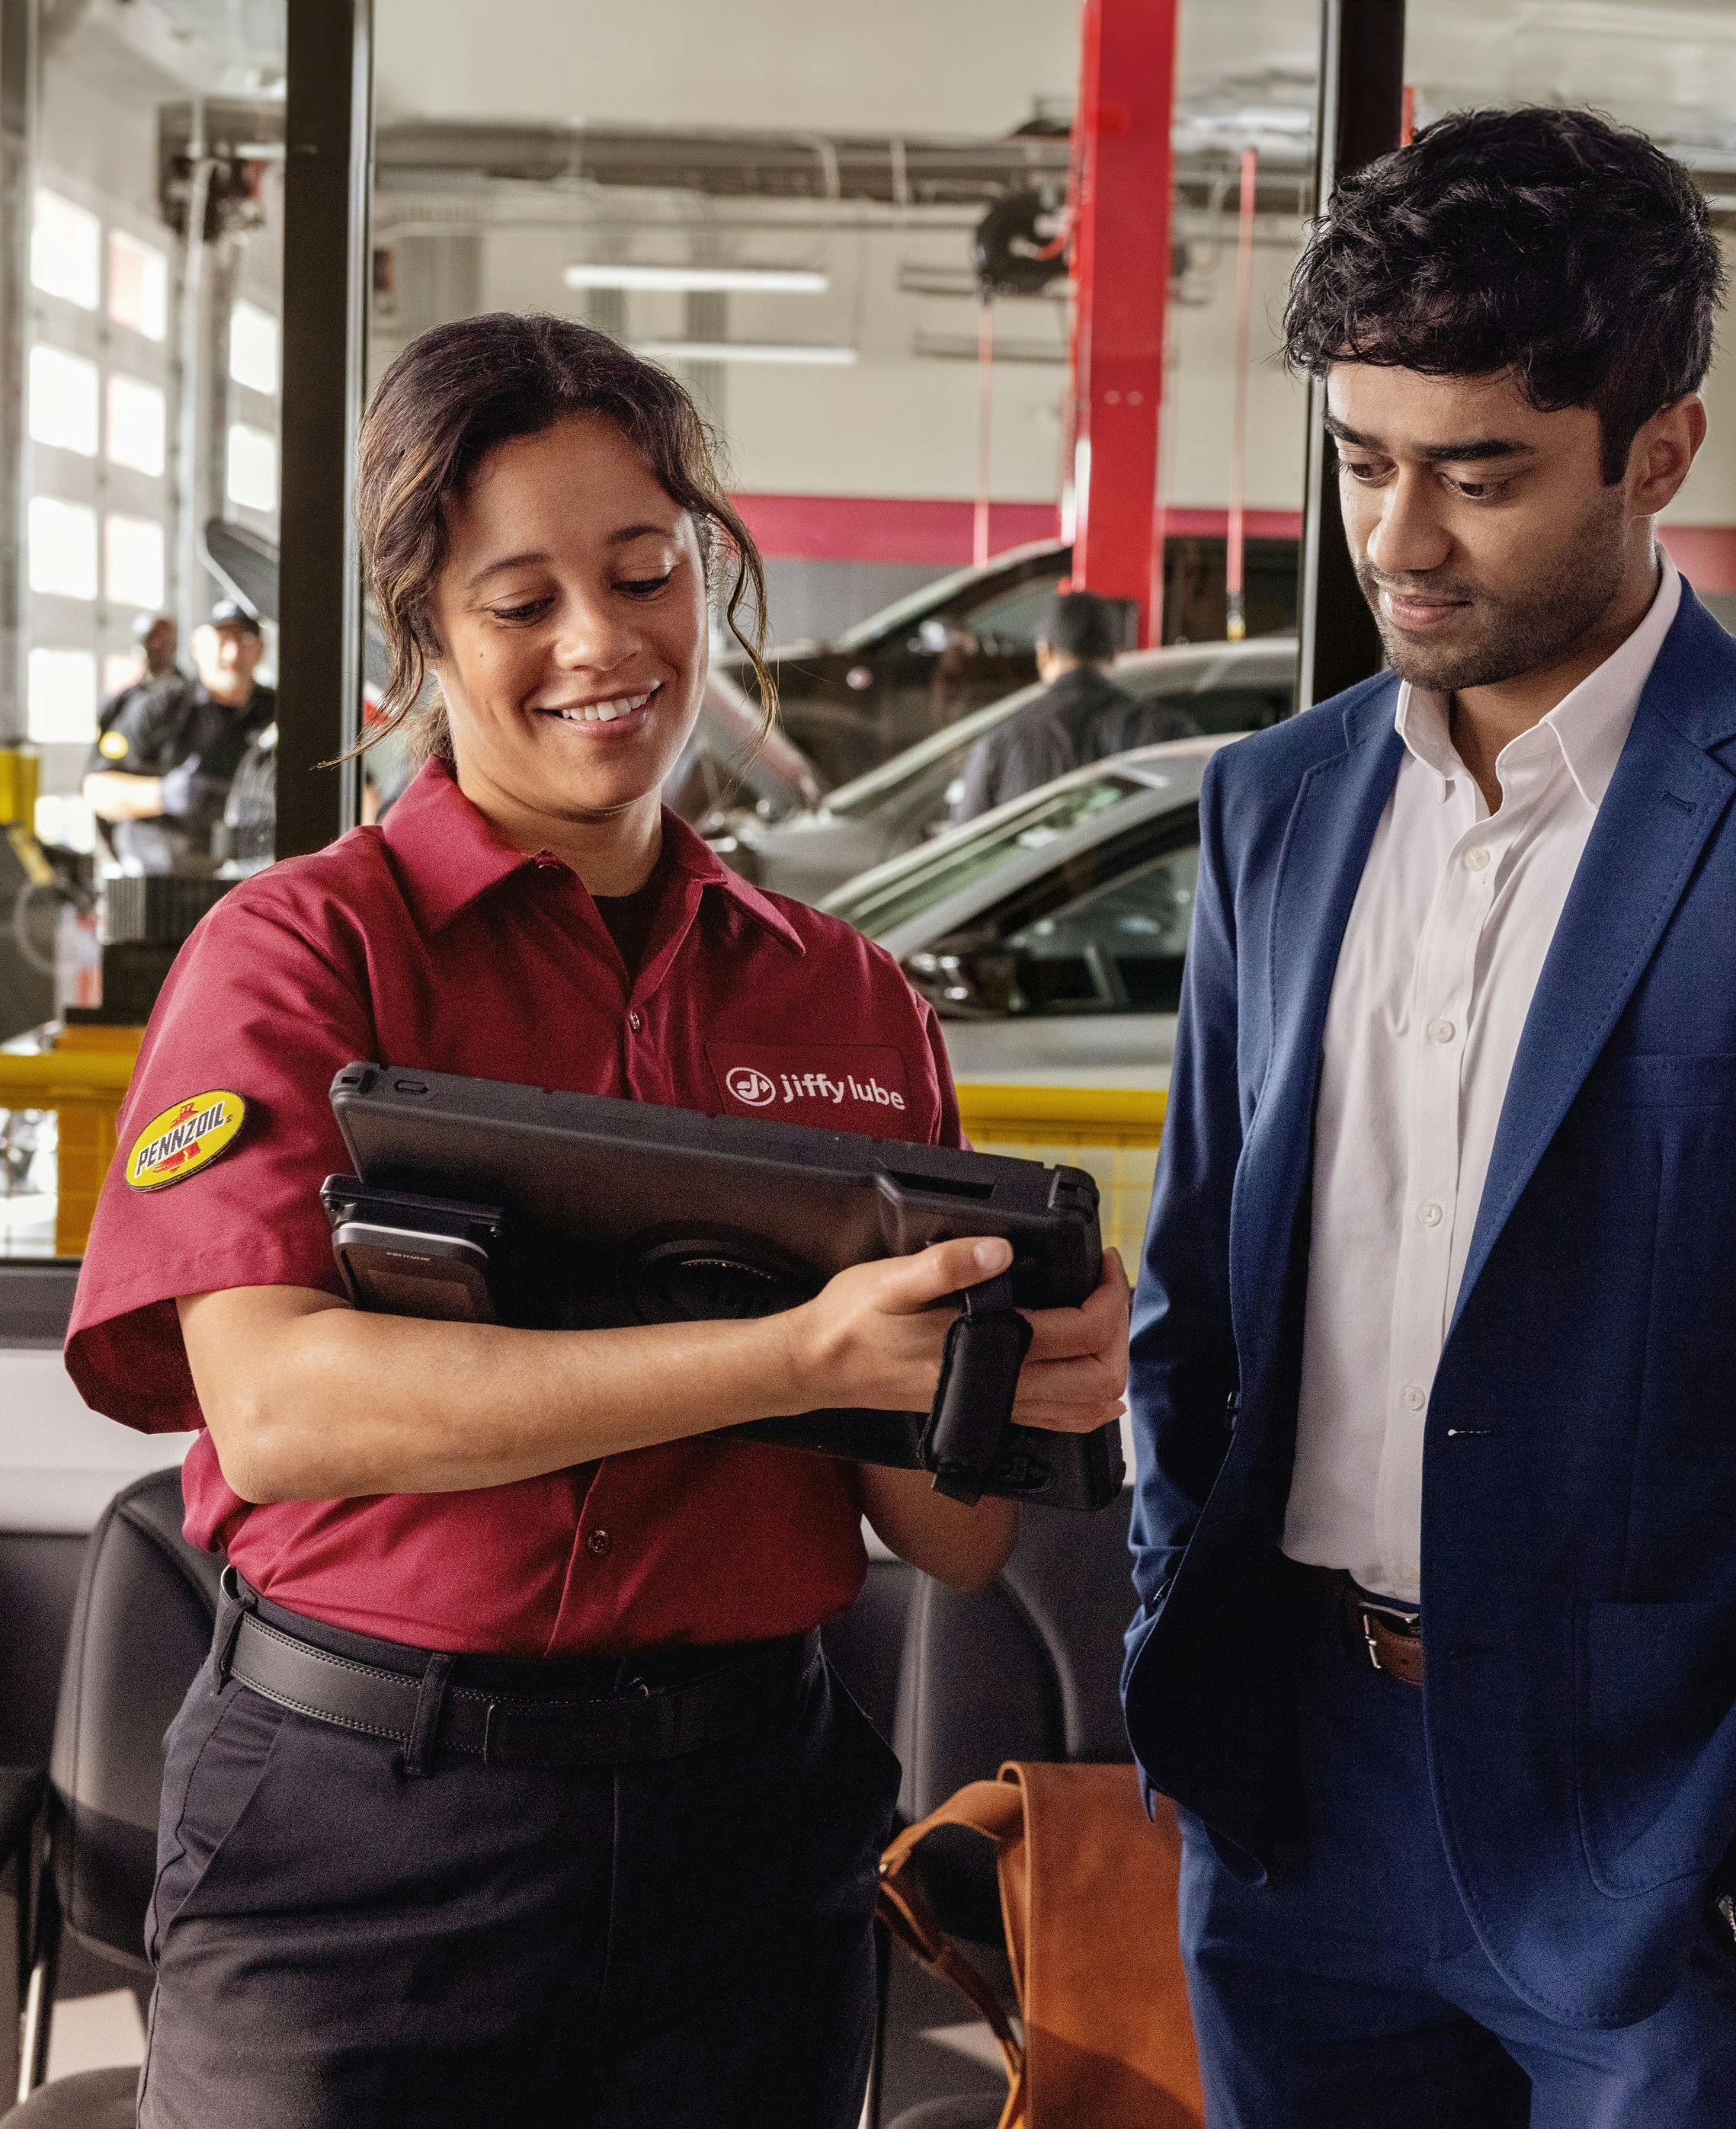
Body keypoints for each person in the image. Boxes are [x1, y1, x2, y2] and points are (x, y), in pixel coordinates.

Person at [63, 312, 1131, 2128]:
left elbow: (947, 1541)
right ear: (421, 627)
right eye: (520, 599)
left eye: (645, 574)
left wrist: (1024, 1380)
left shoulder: (846, 998)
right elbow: (285, 1407)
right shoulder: (307, 954)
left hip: (747, 1837)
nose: (601, 643)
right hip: (363, 1835)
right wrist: (784, 1353)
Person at [1121, 106, 1736, 2128]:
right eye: (1362, 461)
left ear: (1658, 451)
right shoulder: (1273, 808)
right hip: (1296, 1806)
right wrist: (1177, 1634)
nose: (1399, 537)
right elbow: (1194, 1295)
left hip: (1671, 1831)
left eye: (1478, 475)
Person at [949, 588, 1197, 821]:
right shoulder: (1168, 730)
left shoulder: (1000, 741)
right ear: (1114, 656)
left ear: (1045, 653)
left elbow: (968, 840)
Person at [84, 600, 274, 872]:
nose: (233, 653)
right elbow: (97, 790)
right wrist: (162, 795)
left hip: (251, 872)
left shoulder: (279, 712)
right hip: (161, 878)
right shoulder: (159, 707)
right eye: (222, 639)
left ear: (261, 650)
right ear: (197, 647)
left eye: (245, 640)